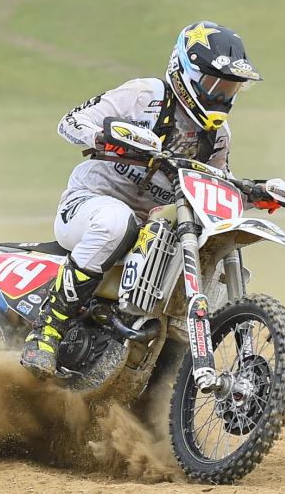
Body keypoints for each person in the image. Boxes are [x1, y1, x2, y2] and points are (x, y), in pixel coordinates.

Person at [21, 20, 265, 377]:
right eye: (215, 84)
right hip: (88, 203)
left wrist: (256, 192)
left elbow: (216, 184)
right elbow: (70, 122)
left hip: (150, 224)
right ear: (186, 72)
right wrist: (107, 136)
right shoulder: (146, 95)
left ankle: (162, 376)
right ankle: (45, 334)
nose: (222, 96)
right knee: (115, 221)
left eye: (230, 89)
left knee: (205, 242)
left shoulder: (217, 136)